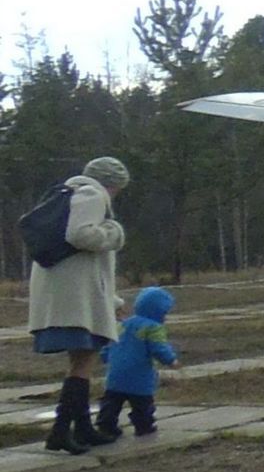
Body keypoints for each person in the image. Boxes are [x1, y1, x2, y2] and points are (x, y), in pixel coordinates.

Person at [30, 155, 129, 455]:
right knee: (83, 360)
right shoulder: (92, 194)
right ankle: (61, 432)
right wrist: (114, 233)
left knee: (81, 360)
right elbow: (80, 235)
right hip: (76, 297)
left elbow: (89, 262)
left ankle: (81, 428)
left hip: (69, 292)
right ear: (112, 184)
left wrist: (110, 300)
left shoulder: (69, 194)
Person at [95, 286, 177, 438]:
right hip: (139, 376)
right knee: (142, 404)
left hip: (115, 374)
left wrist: (105, 356)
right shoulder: (153, 328)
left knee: (111, 401)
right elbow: (158, 347)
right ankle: (143, 426)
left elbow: (111, 342)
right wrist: (171, 359)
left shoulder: (123, 324)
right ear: (159, 311)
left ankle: (106, 425)